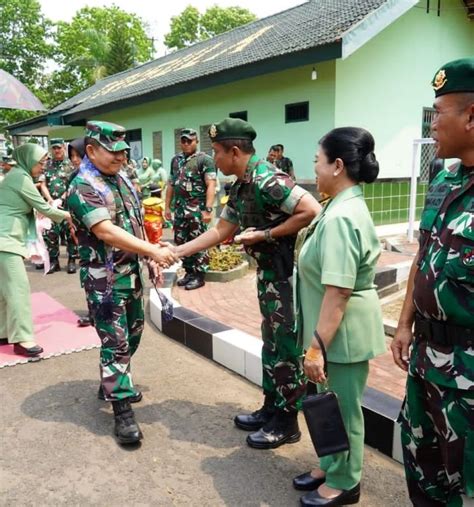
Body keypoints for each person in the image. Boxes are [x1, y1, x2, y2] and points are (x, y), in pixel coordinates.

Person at [175, 118, 320, 448]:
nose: (215, 160)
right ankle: (272, 407)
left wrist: (265, 234)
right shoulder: (241, 184)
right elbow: (221, 230)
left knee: (285, 349)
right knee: (270, 345)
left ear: (235, 151)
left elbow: (310, 209)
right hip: (267, 276)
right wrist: (178, 250)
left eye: (217, 153)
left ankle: (287, 421)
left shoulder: (268, 179)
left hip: (285, 277)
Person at [391, 58, 474, 506]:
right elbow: (423, 256)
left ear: (472, 116)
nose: (433, 122)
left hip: (470, 376)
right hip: (426, 363)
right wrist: (404, 324)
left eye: (439, 112)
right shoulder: (443, 180)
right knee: (424, 479)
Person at [67, 121, 178, 445]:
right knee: (115, 344)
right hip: (104, 280)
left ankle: (111, 382)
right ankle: (122, 411)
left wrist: (150, 259)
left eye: (123, 152)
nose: (120, 158)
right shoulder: (82, 185)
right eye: (113, 152)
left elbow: (134, 222)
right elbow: (106, 231)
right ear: (91, 150)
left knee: (133, 334)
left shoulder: (122, 179)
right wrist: (155, 251)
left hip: (131, 273)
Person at [292, 127, 386, 506]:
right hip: (331, 331)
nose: (313, 168)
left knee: (344, 411)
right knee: (326, 404)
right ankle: (331, 464)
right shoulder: (336, 204)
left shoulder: (342, 217)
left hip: (340, 335)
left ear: (338, 165)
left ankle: (346, 482)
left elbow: (339, 290)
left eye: (317, 160)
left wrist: (317, 347)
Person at [0, 143, 73, 357]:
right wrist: (73, 216)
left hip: (4, 240)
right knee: (18, 290)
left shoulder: (15, 175)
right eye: (40, 163)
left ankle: (4, 331)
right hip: (6, 240)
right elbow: (45, 208)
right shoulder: (21, 179)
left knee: (4, 292)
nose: (43, 167)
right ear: (28, 160)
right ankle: (23, 339)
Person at [165, 128, 217, 290]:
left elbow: (211, 184)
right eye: (183, 141)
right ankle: (189, 272)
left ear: (196, 142)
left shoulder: (205, 160)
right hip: (180, 210)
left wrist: (208, 209)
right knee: (181, 241)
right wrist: (167, 207)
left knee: (198, 241)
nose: (186, 144)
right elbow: (171, 184)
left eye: (190, 141)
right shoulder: (176, 160)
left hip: (197, 210)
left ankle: (199, 275)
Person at [40, 138, 77, 275]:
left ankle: (72, 260)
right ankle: (54, 261)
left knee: (70, 233)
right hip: (51, 207)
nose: (57, 150)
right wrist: (50, 200)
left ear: (63, 148)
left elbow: (74, 185)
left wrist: (62, 198)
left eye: (59, 148)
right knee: (51, 234)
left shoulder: (71, 165)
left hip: (67, 206)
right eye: (54, 148)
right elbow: (43, 184)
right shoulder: (46, 165)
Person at [67, 138, 93, 328]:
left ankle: (103, 313)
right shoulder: (73, 177)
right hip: (82, 234)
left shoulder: (96, 177)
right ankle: (92, 313)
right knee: (87, 273)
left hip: (99, 234)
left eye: (78, 155)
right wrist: (71, 225)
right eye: (72, 156)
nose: (75, 160)